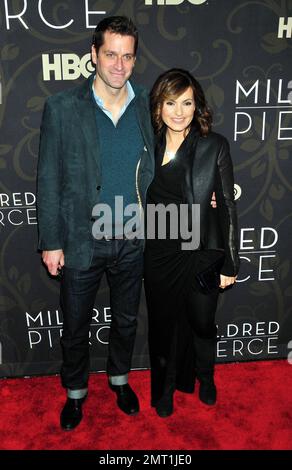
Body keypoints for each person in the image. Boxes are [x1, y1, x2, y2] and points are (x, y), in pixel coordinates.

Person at [37, 16, 155, 430]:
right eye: (110, 55)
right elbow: (48, 178)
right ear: (94, 55)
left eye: (127, 56)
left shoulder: (149, 104)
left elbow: (170, 163)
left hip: (135, 237)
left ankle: (120, 379)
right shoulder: (62, 107)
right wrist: (51, 242)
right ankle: (75, 392)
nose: (119, 65)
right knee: (75, 322)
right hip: (82, 238)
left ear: (135, 59)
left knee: (126, 319)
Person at [144, 68, 240, 417]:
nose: (179, 111)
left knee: (201, 321)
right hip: (159, 249)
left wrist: (230, 262)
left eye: (186, 102)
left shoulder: (213, 145)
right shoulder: (147, 145)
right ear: (159, 106)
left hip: (201, 250)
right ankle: (166, 387)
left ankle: (206, 377)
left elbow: (227, 203)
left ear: (196, 104)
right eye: (171, 102)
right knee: (163, 324)